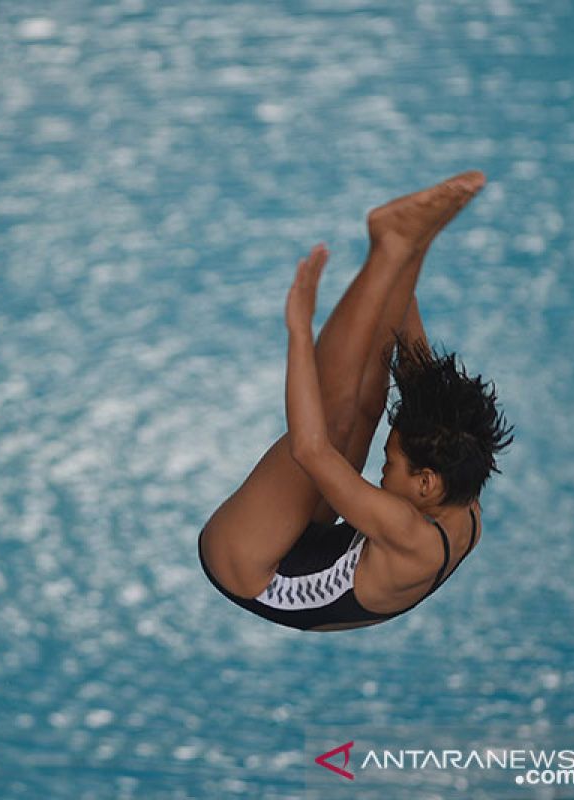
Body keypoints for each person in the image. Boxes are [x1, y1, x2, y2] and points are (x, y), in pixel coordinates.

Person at [197, 171, 513, 632]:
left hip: (247, 567)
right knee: (369, 406)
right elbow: (416, 365)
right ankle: (400, 245)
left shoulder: (408, 533)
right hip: (314, 542)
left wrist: (300, 331)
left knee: (335, 415)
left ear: (425, 483)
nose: (380, 466)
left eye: (390, 461)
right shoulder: (459, 492)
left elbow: (309, 448)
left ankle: (389, 248)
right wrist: (418, 248)